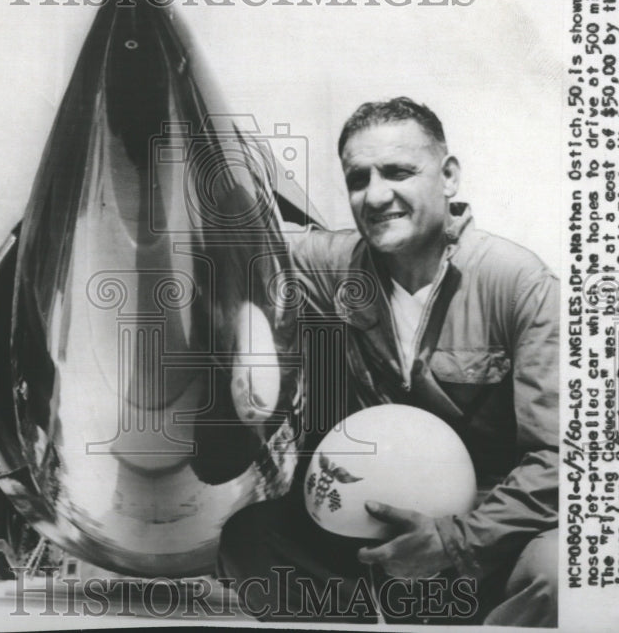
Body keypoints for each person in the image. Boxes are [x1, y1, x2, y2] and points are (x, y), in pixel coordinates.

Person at [217, 97, 559, 626]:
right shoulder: (329, 265)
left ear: (448, 177)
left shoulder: (520, 286)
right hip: (370, 524)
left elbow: (559, 458)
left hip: (488, 533)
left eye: (398, 172)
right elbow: (241, 251)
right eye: (358, 179)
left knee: (555, 571)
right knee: (252, 541)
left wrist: (457, 542)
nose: (376, 195)